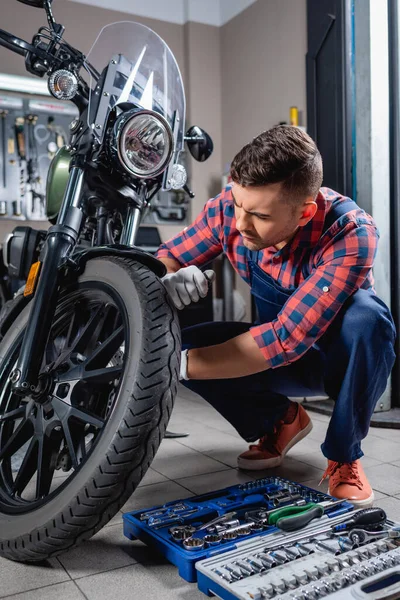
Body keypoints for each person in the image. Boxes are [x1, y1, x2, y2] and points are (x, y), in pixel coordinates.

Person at [156, 125, 396, 508]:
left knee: (370, 320)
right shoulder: (231, 208)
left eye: (258, 215)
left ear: (305, 212)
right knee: (176, 344)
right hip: (271, 347)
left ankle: (344, 455)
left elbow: (285, 338)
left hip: (334, 360)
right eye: (237, 204)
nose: (239, 223)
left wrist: (174, 366)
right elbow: (167, 255)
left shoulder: (350, 232)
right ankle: (280, 420)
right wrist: (165, 279)